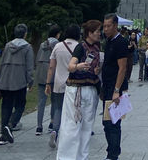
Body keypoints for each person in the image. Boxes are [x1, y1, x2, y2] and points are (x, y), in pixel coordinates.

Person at [56, 19, 102, 160]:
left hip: (91, 88)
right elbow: (70, 66)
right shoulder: (80, 47)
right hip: (77, 90)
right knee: (72, 126)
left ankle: (82, 156)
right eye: (97, 31)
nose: (99, 34)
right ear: (89, 33)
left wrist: (96, 70)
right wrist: (78, 66)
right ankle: (67, 157)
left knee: (87, 127)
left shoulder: (97, 48)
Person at [0, 22, 34, 145]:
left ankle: (3, 134)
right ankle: (10, 125)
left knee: (6, 106)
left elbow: (1, 62)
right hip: (19, 80)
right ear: (25, 34)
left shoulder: (8, 45)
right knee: (20, 105)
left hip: (5, 79)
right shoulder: (27, 47)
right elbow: (29, 67)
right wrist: (30, 81)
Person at [46, 23, 80, 149]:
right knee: (73, 110)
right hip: (74, 83)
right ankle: (70, 134)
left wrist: (48, 83)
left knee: (58, 109)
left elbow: (51, 67)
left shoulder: (58, 46)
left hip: (59, 83)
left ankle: (55, 130)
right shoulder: (79, 47)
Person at [100, 13, 129, 160]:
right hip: (108, 87)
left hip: (115, 89)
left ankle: (113, 154)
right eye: (104, 26)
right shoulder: (109, 41)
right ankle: (112, 152)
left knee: (112, 122)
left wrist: (116, 91)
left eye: (108, 26)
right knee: (107, 122)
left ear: (115, 26)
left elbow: (122, 68)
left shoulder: (120, 42)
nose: (105, 29)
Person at [35, 24, 60, 136]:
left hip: (41, 73)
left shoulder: (42, 44)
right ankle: (52, 123)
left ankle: (39, 126)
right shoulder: (57, 44)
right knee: (54, 100)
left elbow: (37, 59)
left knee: (41, 101)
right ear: (57, 34)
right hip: (52, 73)